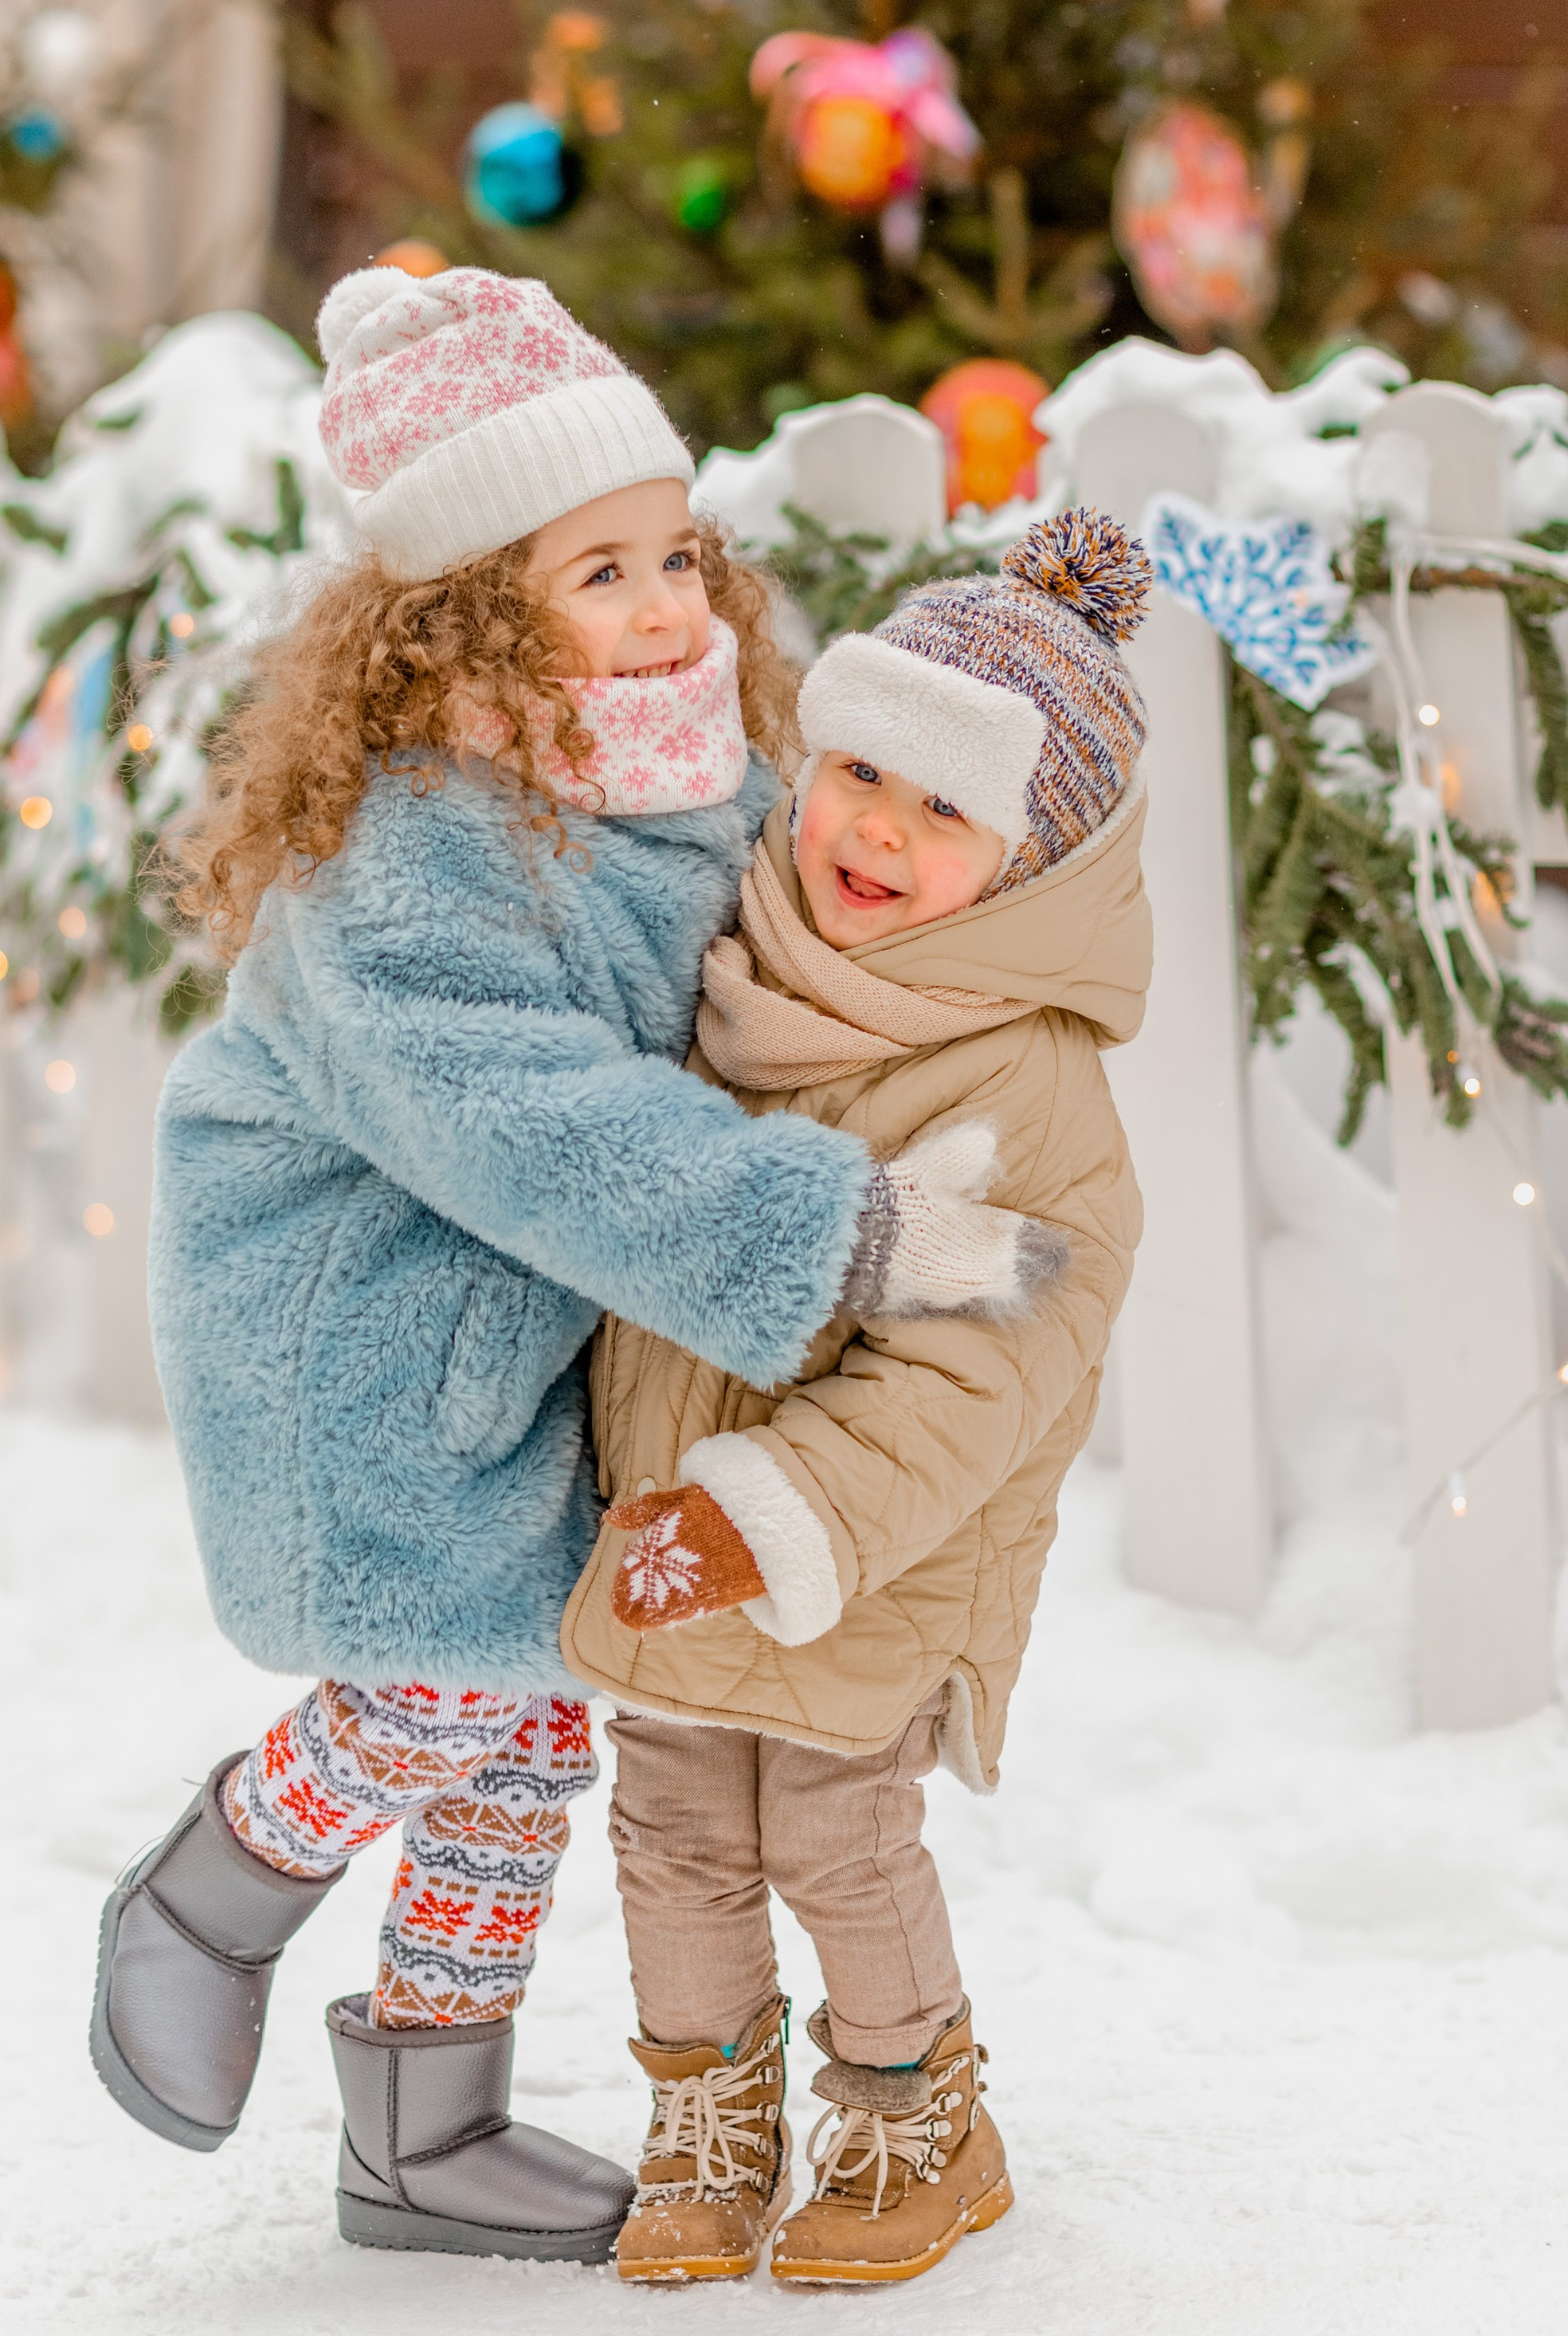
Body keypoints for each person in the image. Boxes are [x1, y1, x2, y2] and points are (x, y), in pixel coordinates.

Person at [87, 262, 1023, 2266]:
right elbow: (523, 1116)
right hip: (350, 1325)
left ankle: (424, 2128)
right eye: (597, 575)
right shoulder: (406, 843)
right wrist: (824, 1232)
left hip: (519, 1346)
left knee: (525, 1723)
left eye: (673, 554)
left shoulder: (683, 772)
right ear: (461, 613)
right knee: (431, 1694)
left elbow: (787, 959)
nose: (669, 607)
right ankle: (209, 1891)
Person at [559, 509, 1154, 2290]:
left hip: (861, 1555)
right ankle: (706, 2116)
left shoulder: (1019, 1088)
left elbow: (972, 1377)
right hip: (660, 1526)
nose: (875, 830)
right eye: (860, 770)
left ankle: (914, 2114)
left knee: (827, 1825)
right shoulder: (737, 969)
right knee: (665, 1826)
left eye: (942, 808)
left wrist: (757, 1522)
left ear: (1032, 866)